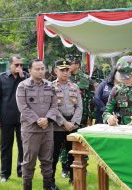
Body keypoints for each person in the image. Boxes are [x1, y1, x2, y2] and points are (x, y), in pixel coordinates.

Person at [16, 59, 58, 190]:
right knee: (28, 163)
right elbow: (23, 107)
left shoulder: (50, 85)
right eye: (37, 69)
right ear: (30, 70)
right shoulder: (23, 86)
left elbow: (55, 105)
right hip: (31, 130)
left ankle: (47, 187)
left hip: (47, 130)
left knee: (47, 162)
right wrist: (38, 120)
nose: (41, 71)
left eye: (42, 68)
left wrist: (47, 119)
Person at [0, 55, 29, 182]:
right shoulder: (1, 78)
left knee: (23, 146)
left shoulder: (26, 77)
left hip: (23, 118)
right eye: (16, 64)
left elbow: (31, 93)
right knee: (5, 146)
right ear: (10, 65)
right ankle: (4, 174)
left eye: (21, 65)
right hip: (6, 117)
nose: (19, 67)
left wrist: (23, 78)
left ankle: (21, 171)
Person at [51, 60, 83, 188]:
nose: (65, 72)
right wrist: (64, 122)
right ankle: (51, 181)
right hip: (56, 125)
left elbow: (80, 106)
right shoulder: (50, 87)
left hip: (72, 125)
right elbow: (52, 107)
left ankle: (73, 178)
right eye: (62, 70)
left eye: (67, 70)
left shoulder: (74, 86)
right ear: (56, 71)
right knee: (53, 155)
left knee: (73, 154)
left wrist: (73, 122)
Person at [68, 54, 95, 127]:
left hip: (83, 114)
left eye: (70, 64)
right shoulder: (65, 77)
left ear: (77, 65)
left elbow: (91, 98)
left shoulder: (86, 79)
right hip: (68, 113)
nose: (68, 66)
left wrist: (91, 116)